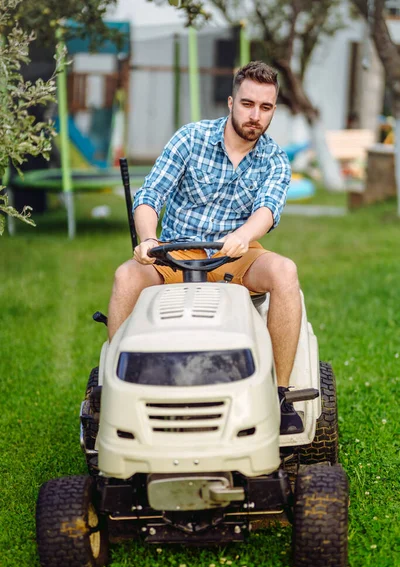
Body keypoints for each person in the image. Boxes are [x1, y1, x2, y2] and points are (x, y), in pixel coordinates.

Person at [108, 61, 303, 435]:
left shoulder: (276, 159)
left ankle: (281, 394)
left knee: (285, 271)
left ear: (274, 110)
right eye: (248, 104)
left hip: (236, 252)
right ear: (231, 102)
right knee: (125, 277)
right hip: (176, 251)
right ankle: (116, 391)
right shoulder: (190, 138)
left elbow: (267, 209)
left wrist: (245, 235)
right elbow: (150, 196)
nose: (255, 115)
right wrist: (149, 239)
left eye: (265, 108)